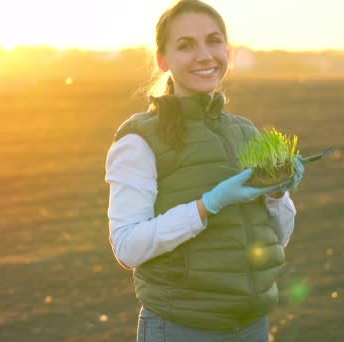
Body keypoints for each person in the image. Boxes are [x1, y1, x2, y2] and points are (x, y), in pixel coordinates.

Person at [105, 0, 304, 340]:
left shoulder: (245, 132)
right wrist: (208, 204)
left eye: (213, 41)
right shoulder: (140, 140)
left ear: (228, 50)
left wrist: (276, 193)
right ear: (162, 60)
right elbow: (127, 247)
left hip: (252, 327)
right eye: (186, 45)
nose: (204, 55)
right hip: (182, 329)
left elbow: (277, 239)